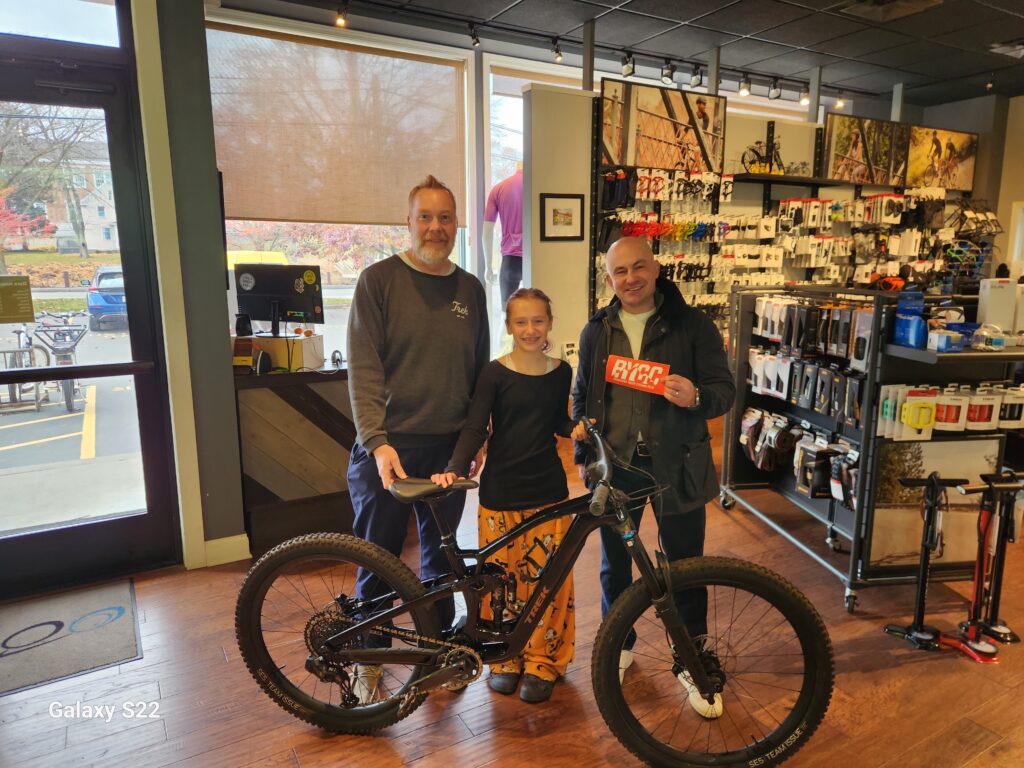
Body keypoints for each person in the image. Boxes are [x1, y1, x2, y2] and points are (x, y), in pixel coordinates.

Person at [571, 236, 734, 718]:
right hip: (616, 465)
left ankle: (691, 657)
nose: (631, 279)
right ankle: (618, 643)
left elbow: (724, 391)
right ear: (609, 279)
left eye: (639, 267)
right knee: (615, 565)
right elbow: (582, 397)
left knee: (686, 565)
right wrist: (583, 450)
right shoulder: (596, 331)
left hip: (678, 463)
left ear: (656, 268)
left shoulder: (692, 324)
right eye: (620, 272)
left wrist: (696, 396)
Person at [346, 174, 489, 702]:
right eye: (425, 217)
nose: (435, 227)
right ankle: (369, 657)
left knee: (442, 561)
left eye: (445, 217)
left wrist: (478, 437)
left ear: (457, 224)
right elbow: (363, 368)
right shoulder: (377, 281)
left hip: (448, 449)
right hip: (389, 448)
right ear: (407, 223)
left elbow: (480, 374)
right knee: (379, 558)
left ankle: (436, 651)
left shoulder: (470, 289)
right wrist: (377, 442)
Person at [432, 288, 575, 704]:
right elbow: (476, 427)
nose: (530, 329)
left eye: (538, 321)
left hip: (548, 492)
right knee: (500, 582)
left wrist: (577, 429)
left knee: (548, 583)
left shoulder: (561, 371)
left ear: (549, 323)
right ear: (509, 325)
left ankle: (543, 660)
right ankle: (504, 657)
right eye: (521, 322)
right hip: (500, 493)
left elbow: (558, 421)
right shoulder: (494, 373)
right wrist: (455, 467)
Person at [483, 165, 524, 305]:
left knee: (507, 313)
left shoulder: (499, 188)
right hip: (536, 258)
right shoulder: (538, 186)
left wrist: (488, 266)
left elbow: (487, 231)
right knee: (539, 311)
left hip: (510, 262)